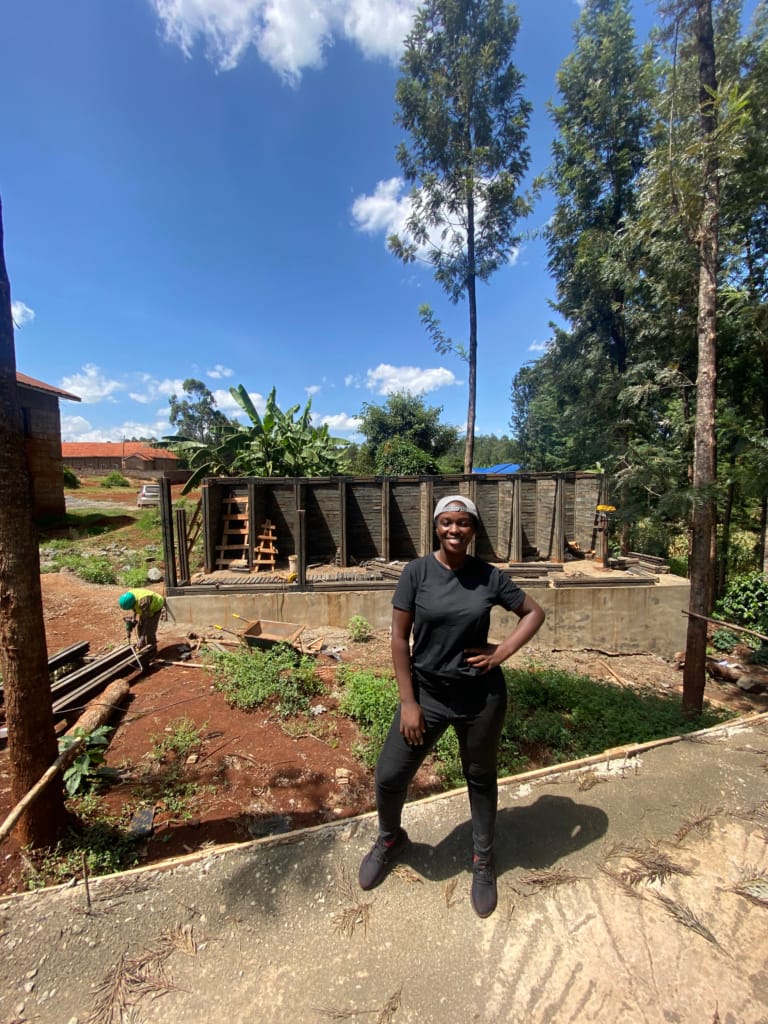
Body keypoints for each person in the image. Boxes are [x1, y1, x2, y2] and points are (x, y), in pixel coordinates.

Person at [358, 494, 545, 917]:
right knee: (390, 775)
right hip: (428, 694)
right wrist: (409, 701)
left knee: (480, 776)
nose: (454, 530)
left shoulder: (489, 577)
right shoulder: (417, 573)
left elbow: (533, 613)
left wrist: (501, 653)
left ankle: (482, 858)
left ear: (473, 529)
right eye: (446, 523)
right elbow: (397, 639)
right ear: (436, 527)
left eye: (462, 523)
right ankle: (390, 837)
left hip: (481, 697)